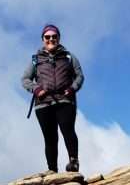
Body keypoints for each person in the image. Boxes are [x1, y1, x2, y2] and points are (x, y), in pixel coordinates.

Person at [21, 24, 84, 173]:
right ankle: (52, 171)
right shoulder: (36, 59)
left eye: (54, 36)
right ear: (43, 39)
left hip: (65, 101)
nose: (51, 39)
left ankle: (73, 162)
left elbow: (80, 76)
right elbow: (25, 79)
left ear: (58, 38)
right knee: (50, 138)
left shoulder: (69, 57)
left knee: (67, 130)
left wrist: (72, 88)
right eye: (47, 37)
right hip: (43, 104)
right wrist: (36, 89)